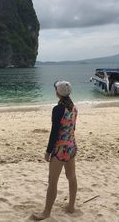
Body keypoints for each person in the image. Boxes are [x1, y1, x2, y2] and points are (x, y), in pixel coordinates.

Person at [32, 80, 78, 220]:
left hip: (59, 149)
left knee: (52, 181)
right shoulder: (74, 107)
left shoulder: (58, 109)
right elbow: (72, 127)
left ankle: (46, 212)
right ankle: (71, 206)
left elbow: (54, 132)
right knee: (71, 177)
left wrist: (48, 151)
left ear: (58, 93)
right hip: (71, 145)